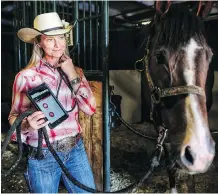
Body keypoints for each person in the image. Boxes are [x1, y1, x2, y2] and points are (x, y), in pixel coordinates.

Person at [8, 12, 96, 193]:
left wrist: (71, 73)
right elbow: (13, 117)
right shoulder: (26, 77)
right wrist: (26, 124)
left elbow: (90, 108)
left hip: (75, 150)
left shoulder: (76, 72)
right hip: (42, 155)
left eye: (61, 37)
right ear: (39, 42)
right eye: (50, 39)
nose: (58, 45)